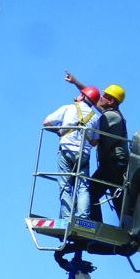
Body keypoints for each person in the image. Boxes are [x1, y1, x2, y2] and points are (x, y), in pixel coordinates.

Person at [64, 70, 129, 222]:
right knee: (118, 199)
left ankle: (95, 227)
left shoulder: (110, 117)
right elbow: (93, 100)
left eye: (105, 96)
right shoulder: (112, 114)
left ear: (111, 101)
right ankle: (126, 230)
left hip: (113, 164)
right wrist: (76, 82)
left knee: (90, 192)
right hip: (117, 164)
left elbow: (91, 126)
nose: (101, 97)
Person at [43, 86, 101, 220]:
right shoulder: (96, 118)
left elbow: (46, 123)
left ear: (82, 96)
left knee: (65, 185)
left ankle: (67, 217)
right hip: (84, 155)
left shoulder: (68, 108)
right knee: (83, 187)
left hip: (66, 151)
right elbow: (94, 142)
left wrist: (60, 131)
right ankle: (83, 217)